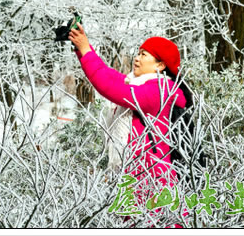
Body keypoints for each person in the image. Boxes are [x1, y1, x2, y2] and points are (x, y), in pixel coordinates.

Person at [69, 23, 188, 227]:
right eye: (138, 53)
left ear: (160, 66)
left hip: (153, 178)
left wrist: (86, 49)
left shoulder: (161, 90)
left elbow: (109, 87)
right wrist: (82, 49)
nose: (137, 58)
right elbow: (106, 75)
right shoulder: (136, 84)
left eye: (144, 55)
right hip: (135, 176)